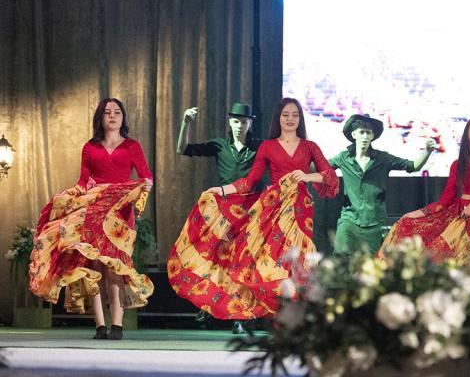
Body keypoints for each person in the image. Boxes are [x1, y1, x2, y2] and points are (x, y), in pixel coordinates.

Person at [167, 97, 338, 320]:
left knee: (299, 260)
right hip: (274, 209)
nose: (290, 119)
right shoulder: (267, 146)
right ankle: (279, 313)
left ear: (300, 119)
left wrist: (307, 175)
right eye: (285, 115)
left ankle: (300, 314)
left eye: (295, 115)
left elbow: (329, 175)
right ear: (278, 118)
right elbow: (249, 182)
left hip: (299, 210)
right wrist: (220, 190)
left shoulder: (310, 146)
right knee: (273, 259)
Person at [29, 98, 154, 340]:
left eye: (117, 112)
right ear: (100, 117)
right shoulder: (90, 147)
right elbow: (83, 181)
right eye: (107, 112)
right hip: (95, 210)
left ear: (123, 117)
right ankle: (99, 325)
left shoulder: (132, 146)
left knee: (115, 267)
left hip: (120, 213)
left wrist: (140, 193)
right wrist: (71, 195)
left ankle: (117, 325)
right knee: (94, 266)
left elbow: (146, 177)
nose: (112, 116)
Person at [378, 116, 470, 278]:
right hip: (460, 217)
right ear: (467, 134)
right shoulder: (458, 164)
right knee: (446, 263)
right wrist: (414, 214)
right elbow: (444, 202)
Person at [177, 102, 262, 332]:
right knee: (217, 256)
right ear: (229, 122)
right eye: (235, 121)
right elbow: (183, 149)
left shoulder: (259, 147)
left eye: (243, 121)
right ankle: (208, 305)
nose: (239, 125)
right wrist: (185, 123)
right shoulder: (220, 145)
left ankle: (241, 316)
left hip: (251, 210)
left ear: (250, 123)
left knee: (244, 261)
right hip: (224, 209)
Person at [330, 114, 437, 254]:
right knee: (341, 258)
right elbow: (320, 167)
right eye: (362, 132)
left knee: (370, 265)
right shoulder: (343, 158)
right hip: (349, 220)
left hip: (373, 223)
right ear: (353, 134)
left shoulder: (383, 159)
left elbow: (413, 166)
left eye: (368, 133)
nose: (365, 136)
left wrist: (428, 152)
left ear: (373, 136)